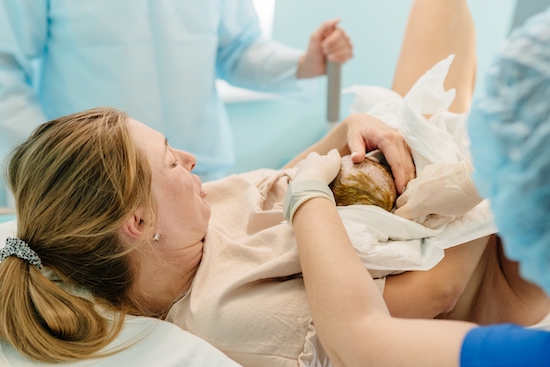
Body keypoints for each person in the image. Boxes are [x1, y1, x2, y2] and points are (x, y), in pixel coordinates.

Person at [287, 1, 550, 366]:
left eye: (174, 155)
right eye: (173, 159)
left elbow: (358, 338)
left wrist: (309, 192)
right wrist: (471, 176)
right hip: (488, 274)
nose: (188, 163)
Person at [0, 0, 352, 182]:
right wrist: (51, 163)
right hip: (91, 180)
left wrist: (304, 64)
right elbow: (5, 68)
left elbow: (238, 48)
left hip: (199, 171)